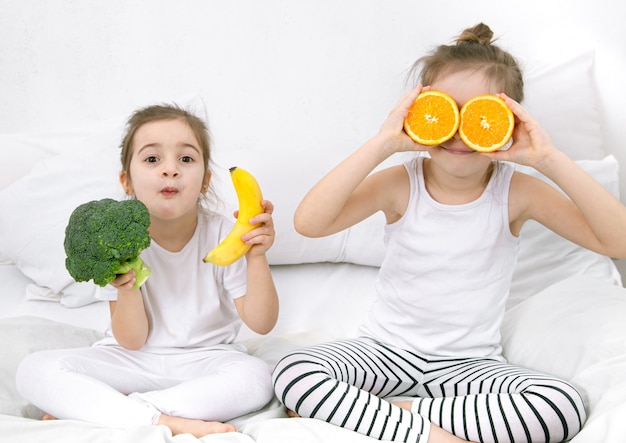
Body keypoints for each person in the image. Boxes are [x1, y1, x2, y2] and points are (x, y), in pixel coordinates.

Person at [273, 23, 626, 443]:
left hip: (470, 366)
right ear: (419, 111)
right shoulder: (401, 183)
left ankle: (393, 416)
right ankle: (435, 436)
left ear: (510, 120)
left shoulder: (517, 191)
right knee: (292, 370)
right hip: (384, 354)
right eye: (444, 111)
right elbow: (309, 223)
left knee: (560, 406)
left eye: (481, 116)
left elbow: (616, 242)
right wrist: (382, 144)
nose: (459, 129)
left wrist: (548, 158)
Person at [16, 104, 279, 437]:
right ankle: (161, 419)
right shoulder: (113, 241)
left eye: (186, 159)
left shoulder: (226, 235)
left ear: (205, 181)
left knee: (258, 377)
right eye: (152, 159)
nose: (170, 170)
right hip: (129, 361)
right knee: (34, 370)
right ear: (127, 180)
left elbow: (262, 322)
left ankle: (111, 410)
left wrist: (256, 256)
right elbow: (131, 340)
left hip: (207, 360)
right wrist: (127, 287)